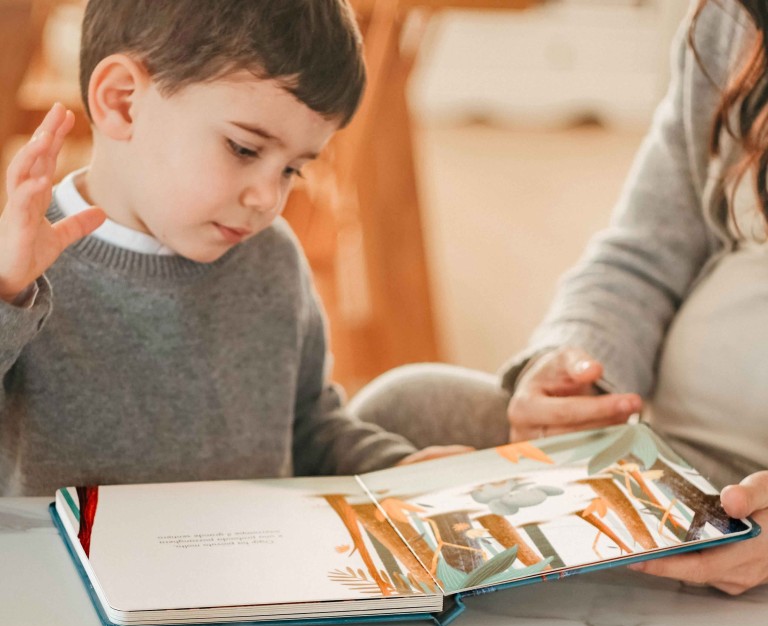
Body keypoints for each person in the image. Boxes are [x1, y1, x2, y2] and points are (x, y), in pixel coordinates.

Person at [349, 0, 768, 594]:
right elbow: (644, 254)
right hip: (658, 454)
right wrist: (577, 371)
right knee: (400, 412)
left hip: (751, 494)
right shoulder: (732, 22)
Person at [0, 0, 468, 497]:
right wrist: (6, 295)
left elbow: (308, 427)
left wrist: (396, 471)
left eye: (292, 169)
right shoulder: (17, 271)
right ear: (122, 102)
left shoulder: (272, 258)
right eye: (244, 149)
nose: (269, 199)